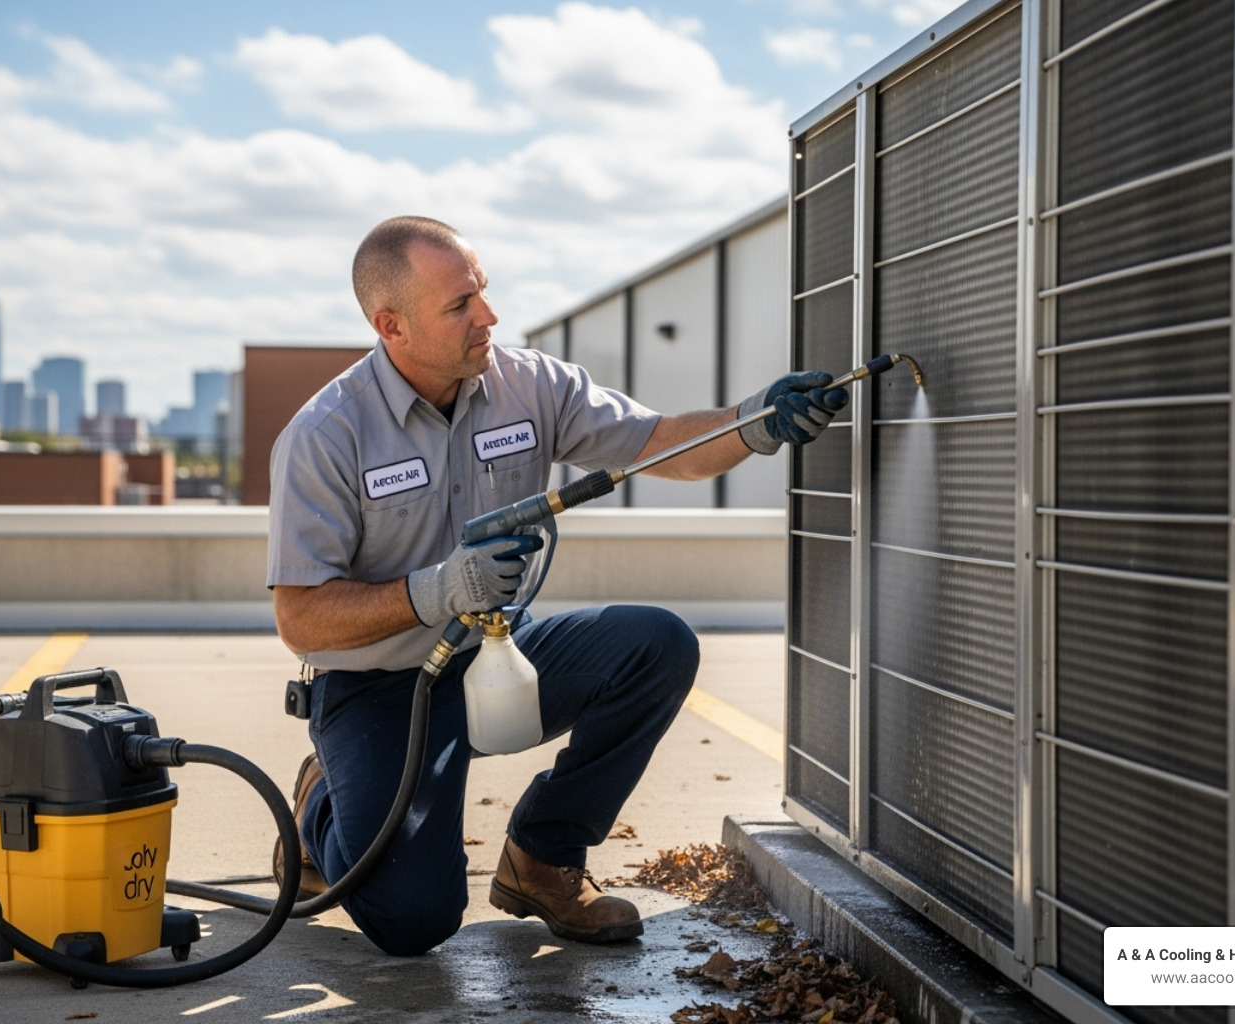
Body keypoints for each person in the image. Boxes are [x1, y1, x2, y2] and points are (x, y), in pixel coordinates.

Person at [266, 215, 849, 956]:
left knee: (655, 645)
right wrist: (435, 590)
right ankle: (322, 802)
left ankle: (543, 855)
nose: (489, 316)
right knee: (411, 918)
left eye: (481, 291)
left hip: (497, 657)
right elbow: (302, 620)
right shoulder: (327, 435)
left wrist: (756, 421)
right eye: (459, 306)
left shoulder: (529, 385)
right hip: (381, 689)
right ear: (393, 325)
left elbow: (661, 443)